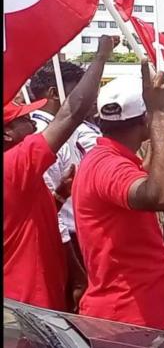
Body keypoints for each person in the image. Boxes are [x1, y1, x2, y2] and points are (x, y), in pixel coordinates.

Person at [4, 36, 114, 312]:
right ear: (6, 134)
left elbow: (18, 221)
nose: (33, 124)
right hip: (30, 302)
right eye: (24, 120)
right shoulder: (13, 166)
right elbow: (71, 113)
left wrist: (57, 197)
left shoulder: (19, 172)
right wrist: (100, 57)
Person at [74, 62, 164, 329]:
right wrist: (161, 117)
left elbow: (149, 175)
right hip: (124, 319)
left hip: (129, 314)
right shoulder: (109, 165)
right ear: (144, 119)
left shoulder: (109, 158)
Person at [27, 61, 93, 307]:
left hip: (75, 236)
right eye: (78, 89)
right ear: (55, 93)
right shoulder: (42, 137)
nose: (86, 97)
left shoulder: (67, 132)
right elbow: (47, 206)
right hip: (63, 242)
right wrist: (75, 270)